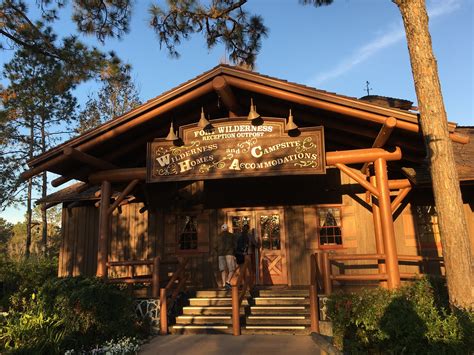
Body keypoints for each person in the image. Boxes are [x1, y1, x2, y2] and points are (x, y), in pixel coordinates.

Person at [217, 223, 237, 290]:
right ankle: (227, 281)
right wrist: (234, 253)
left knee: (223, 269)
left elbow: (215, 246)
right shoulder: (231, 235)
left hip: (221, 254)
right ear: (227, 229)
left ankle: (223, 284)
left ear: (221, 229)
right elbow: (235, 245)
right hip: (229, 253)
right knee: (231, 269)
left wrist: (219, 251)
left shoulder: (218, 236)